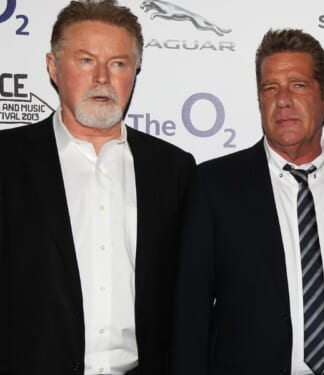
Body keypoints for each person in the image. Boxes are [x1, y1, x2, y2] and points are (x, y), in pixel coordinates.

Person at [0, 1, 196, 374]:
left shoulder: (173, 170)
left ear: (135, 72)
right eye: (86, 60)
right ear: (53, 67)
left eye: (118, 63)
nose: (103, 78)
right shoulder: (7, 161)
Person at [170, 29, 324, 375]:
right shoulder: (214, 186)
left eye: (298, 85)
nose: (283, 100)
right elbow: (189, 313)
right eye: (270, 88)